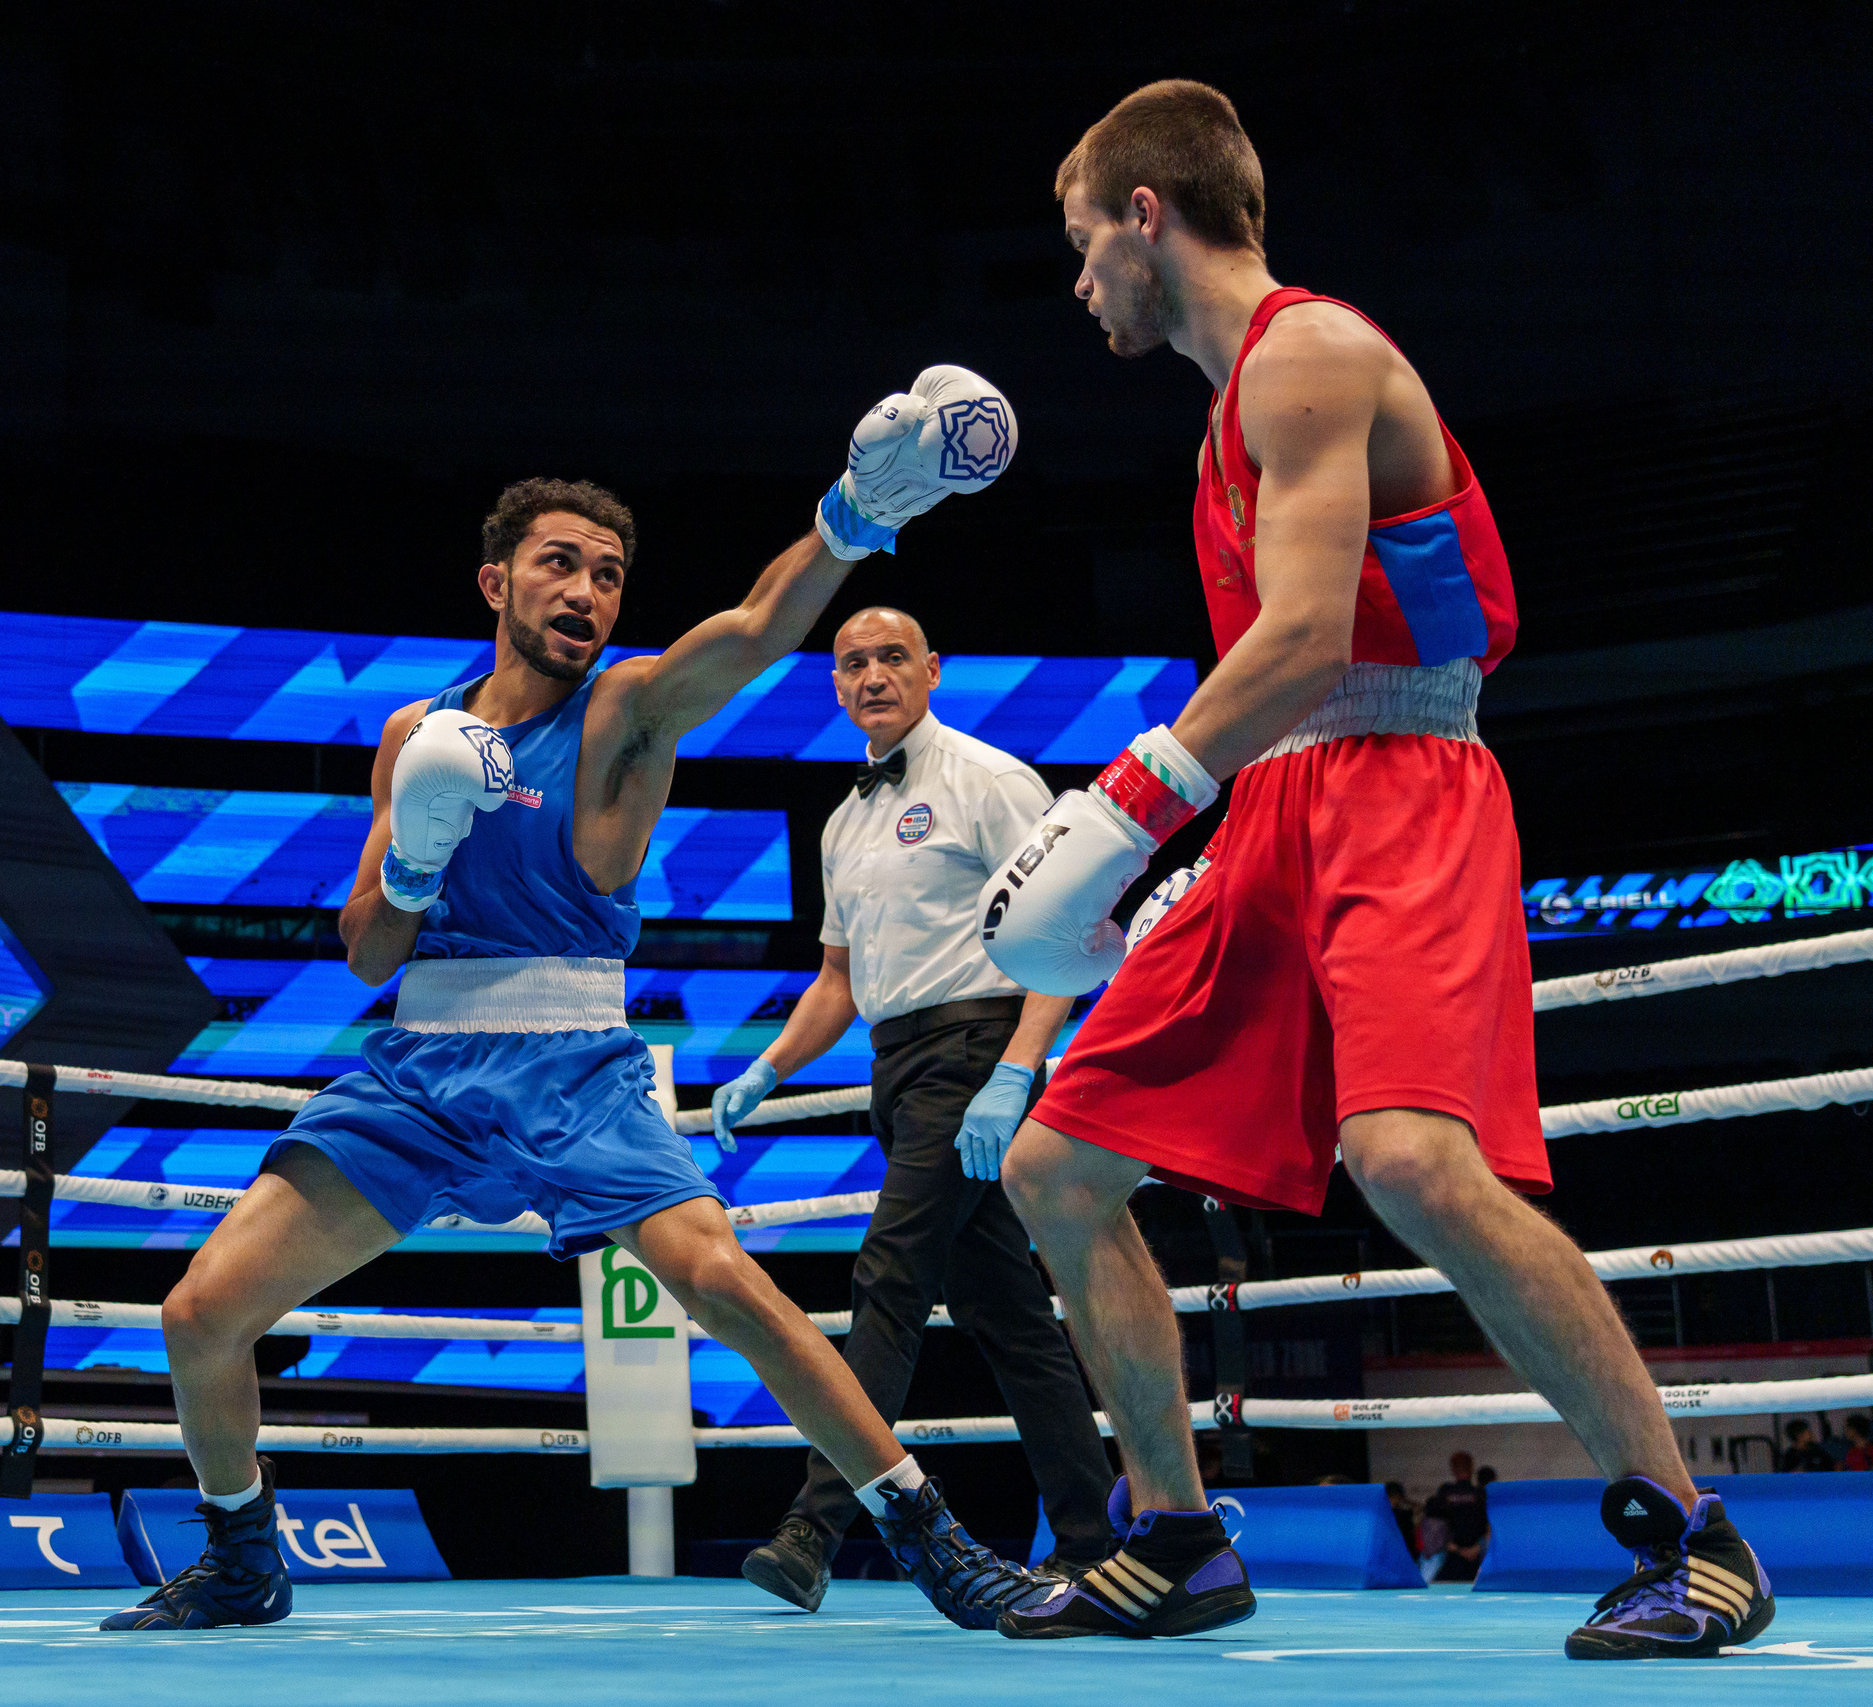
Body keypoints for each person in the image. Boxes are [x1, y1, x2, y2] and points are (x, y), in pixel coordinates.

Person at [982, 80, 1775, 1660]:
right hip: (1276, 800)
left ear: (1149, 214)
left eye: (1083, 242)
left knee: (1410, 1156)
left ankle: (1693, 1535)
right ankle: (1180, 1534)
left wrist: (1127, 803)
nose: (1077, 283)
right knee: (1055, 1168)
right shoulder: (1223, 417)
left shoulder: (1314, 357)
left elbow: (1304, 637)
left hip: (1401, 778)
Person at [103, 370, 1048, 1633]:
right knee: (200, 1313)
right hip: (418, 1068)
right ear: (496, 581)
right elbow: (367, 952)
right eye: (561, 565)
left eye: (607, 574)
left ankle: (928, 1536)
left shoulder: (625, 708)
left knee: (725, 1283)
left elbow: (762, 629)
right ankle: (241, 1553)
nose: (587, 594)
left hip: (573, 1064)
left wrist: (849, 516)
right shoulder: (412, 735)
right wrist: (419, 857)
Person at [713, 605, 1115, 1611]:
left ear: (932, 670)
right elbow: (836, 983)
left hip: (975, 1050)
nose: (872, 675)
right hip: (899, 1068)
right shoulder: (844, 820)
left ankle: (815, 1527)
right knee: (1006, 1316)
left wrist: (1018, 1070)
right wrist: (766, 1068)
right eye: (852, 663)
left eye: (892, 656)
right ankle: (1088, 1538)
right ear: (836, 686)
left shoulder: (988, 781)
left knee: (888, 1274)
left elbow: (1064, 934)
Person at [1426, 1452, 1490, 1582]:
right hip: (1476, 1555)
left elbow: (1433, 1527)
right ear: (1471, 1468)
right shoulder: (1480, 1494)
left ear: (1453, 1469)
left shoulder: (1445, 1493)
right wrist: (1475, 1548)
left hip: (1453, 1555)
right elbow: (1491, 1526)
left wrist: (1457, 1549)